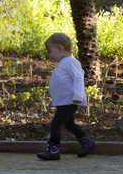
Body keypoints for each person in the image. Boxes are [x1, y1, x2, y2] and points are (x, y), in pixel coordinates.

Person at [36, 32, 96, 160]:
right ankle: (87, 142)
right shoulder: (65, 62)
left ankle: (53, 150)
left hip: (70, 100)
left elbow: (79, 78)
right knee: (69, 124)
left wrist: (78, 96)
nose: (50, 55)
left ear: (60, 48)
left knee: (55, 124)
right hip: (65, 101)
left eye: (50, 51)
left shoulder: (70, 62)